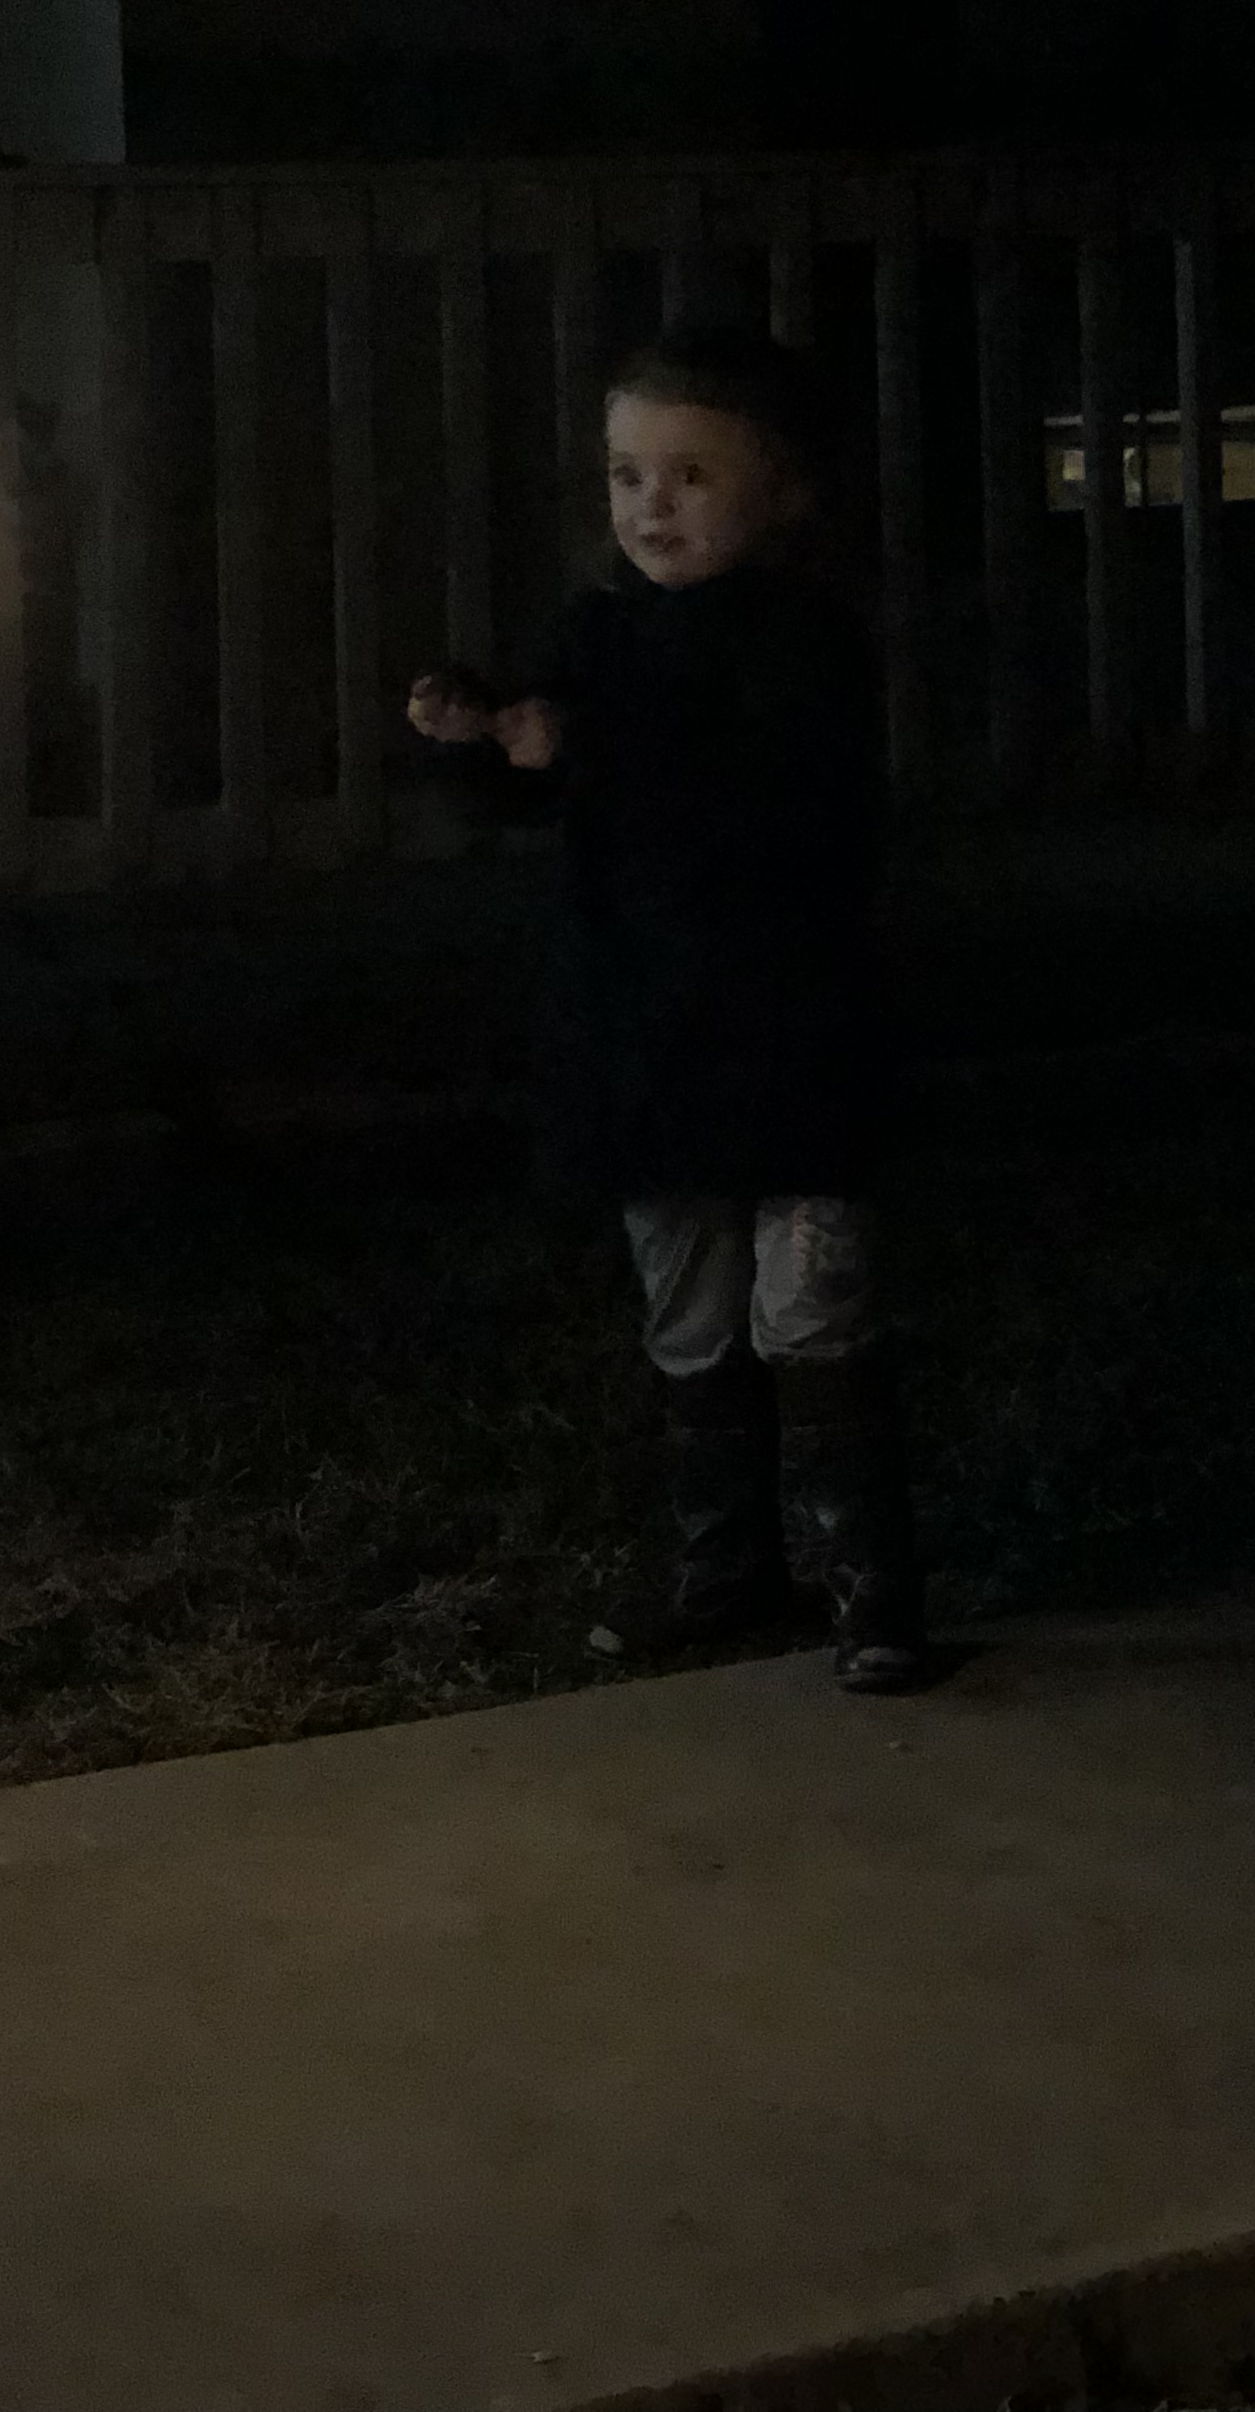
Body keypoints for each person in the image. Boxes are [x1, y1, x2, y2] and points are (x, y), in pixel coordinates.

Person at [408, 328, 932, 1696]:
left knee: (812, 1310)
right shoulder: (595, 634)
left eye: (693, 475)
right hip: (644, 1038)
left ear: (782, 490)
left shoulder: (805, 641)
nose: (653, 504)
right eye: (629, 474)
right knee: (688, 1313)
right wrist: (480, 737)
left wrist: (583, 749)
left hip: (793, 1037)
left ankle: (871, 1588)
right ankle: (725, 1570)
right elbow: (536, 793)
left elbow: (759, 794)